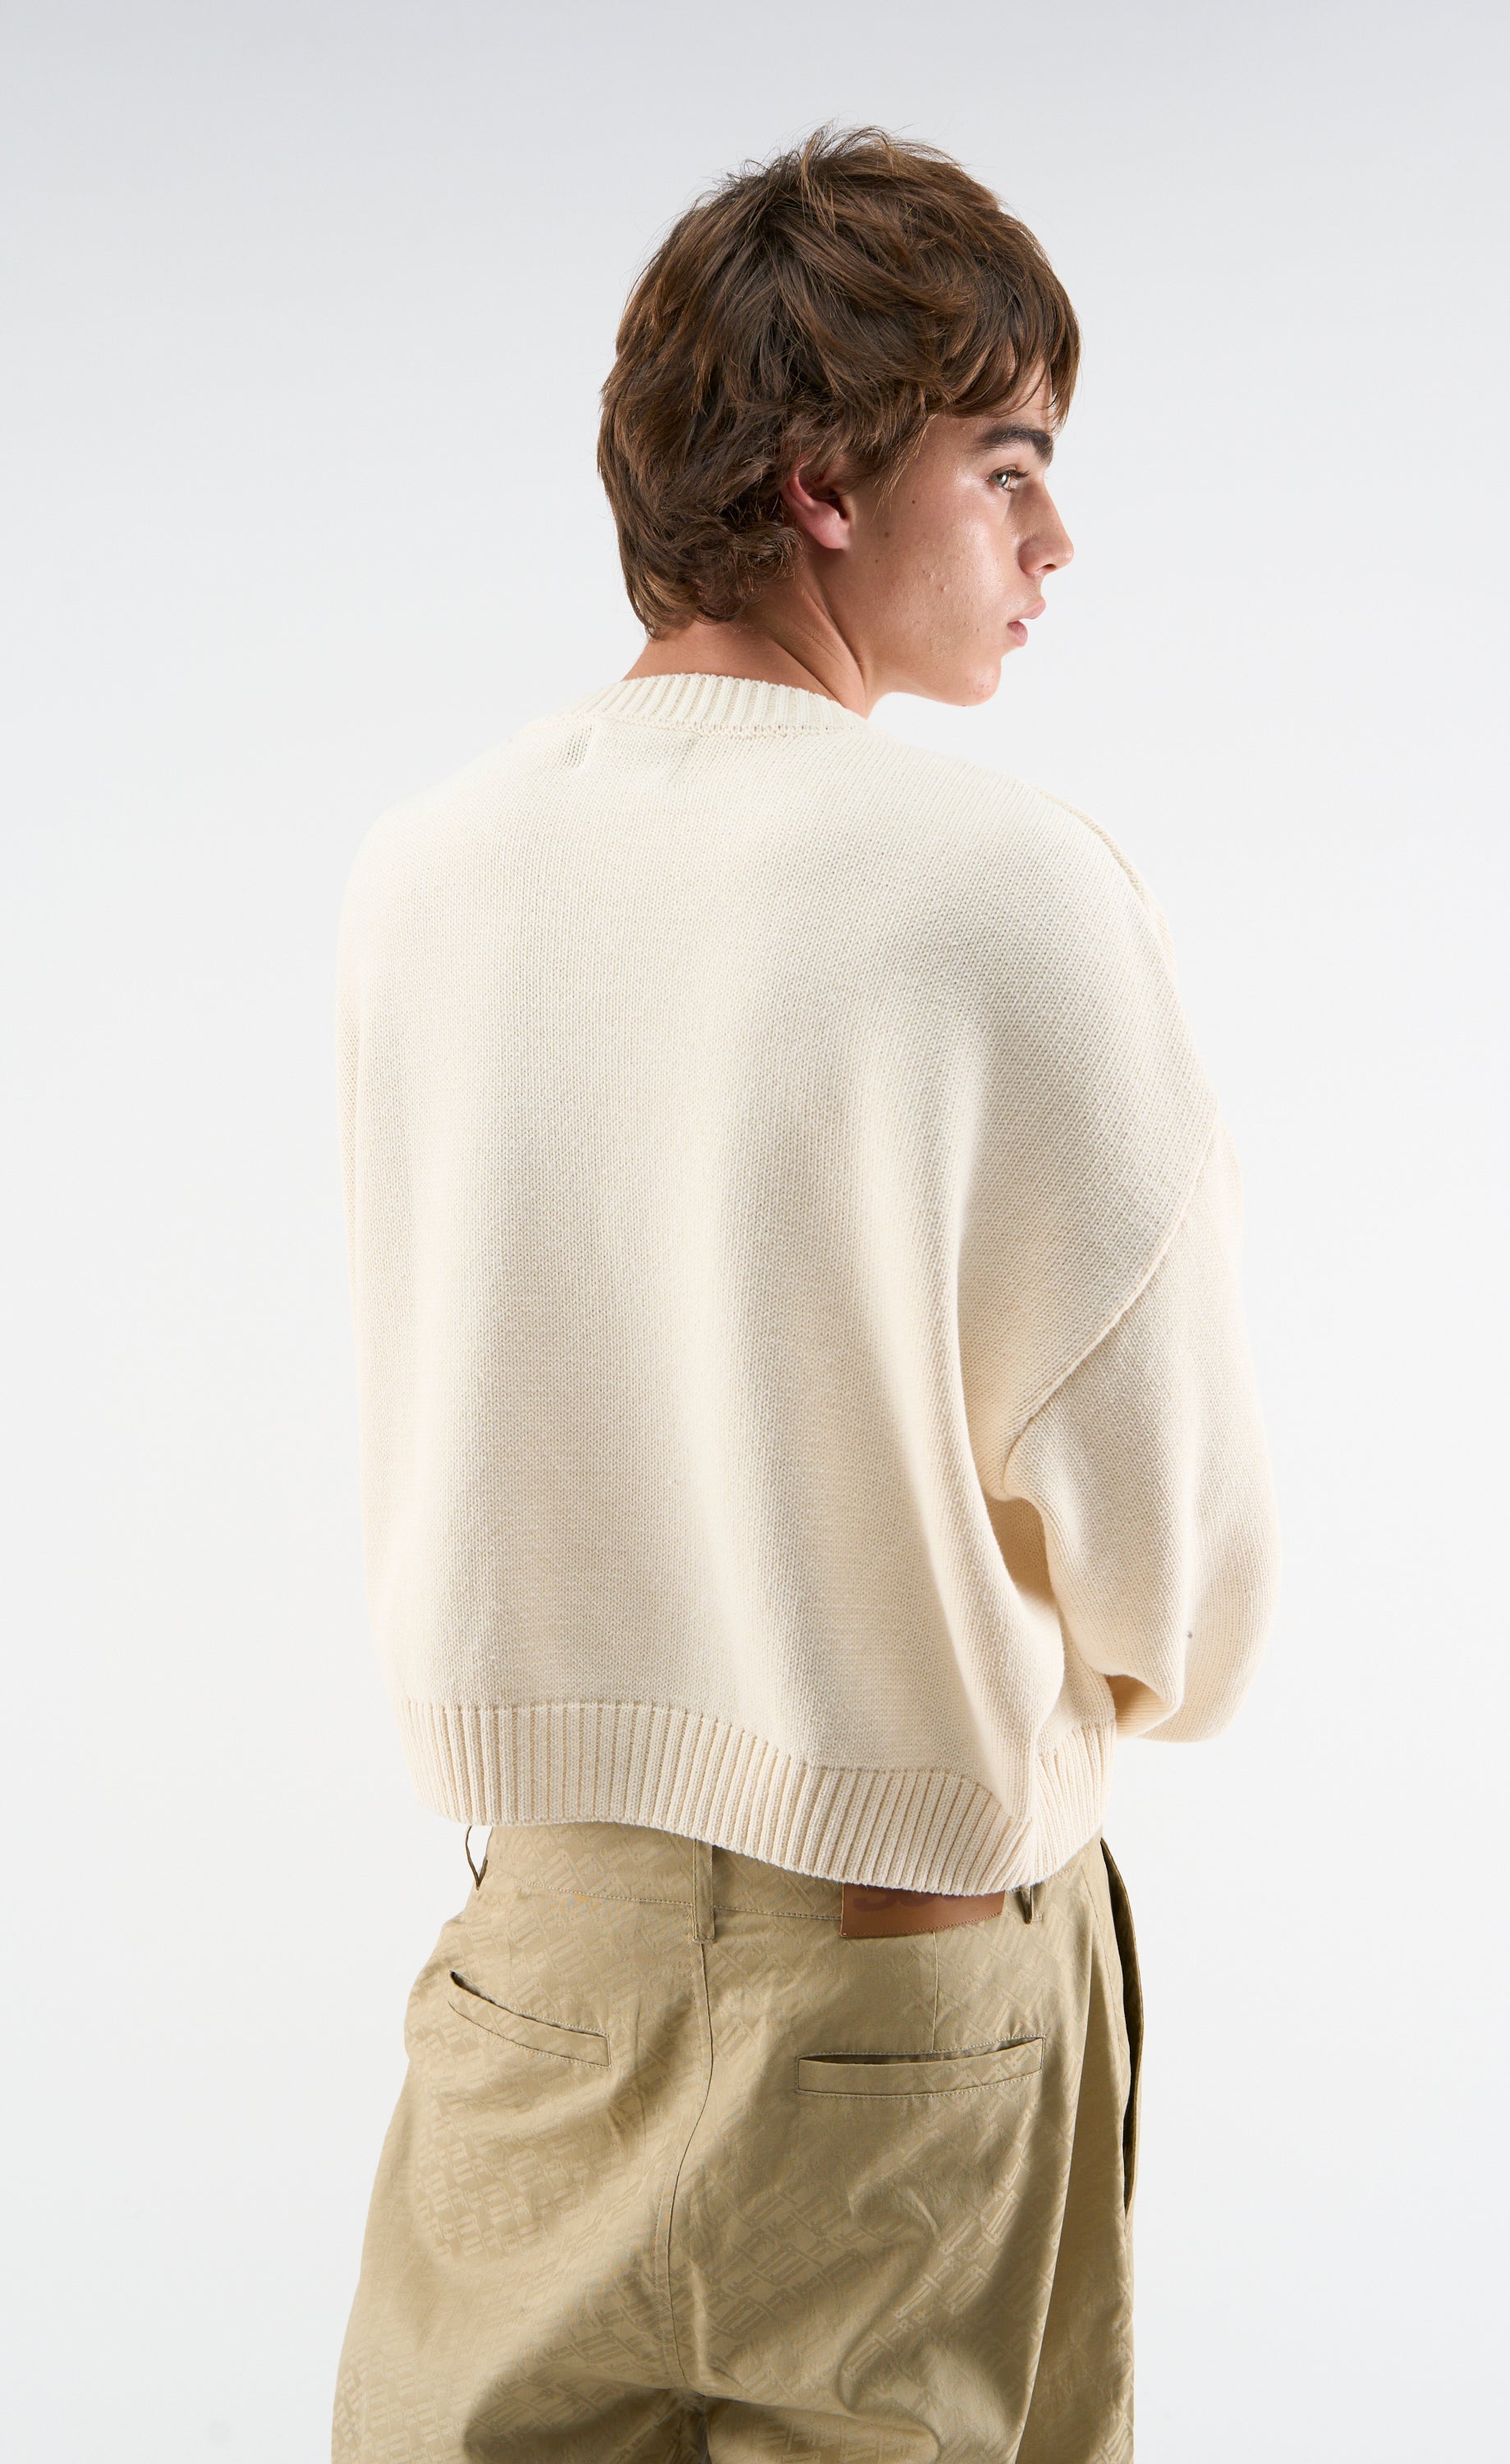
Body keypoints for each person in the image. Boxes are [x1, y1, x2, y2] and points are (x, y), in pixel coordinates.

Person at [330, 122, 1280, 2464]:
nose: (1056, 542)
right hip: (904, 1958)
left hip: (538, 1960)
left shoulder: (423, 875)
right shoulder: (1006, 894)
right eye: (1008, 467)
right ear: (826, 485)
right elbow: (1176, 1558)